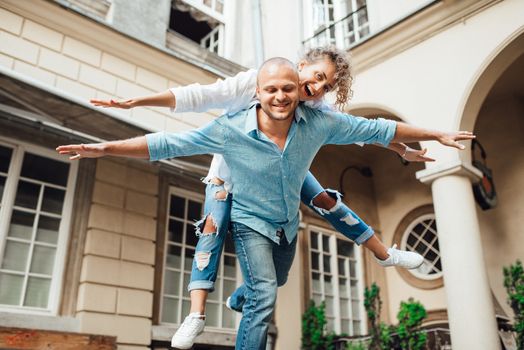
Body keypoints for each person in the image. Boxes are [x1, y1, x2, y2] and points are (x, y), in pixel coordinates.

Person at [58, 57, 475, 349]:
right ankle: (198, 312)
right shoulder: (241, 105)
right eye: (310, 80)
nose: (309, 90)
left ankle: (381, 255)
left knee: (319, 214)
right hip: (235, 181)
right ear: (259, 91)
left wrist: (425, 138)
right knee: (218, 238)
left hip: (285, 199)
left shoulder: (317, 115)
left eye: (316, 88)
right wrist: (109, 143)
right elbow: (174, 131)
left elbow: (371, 128)